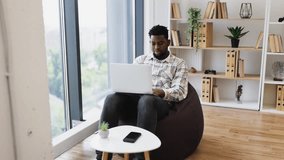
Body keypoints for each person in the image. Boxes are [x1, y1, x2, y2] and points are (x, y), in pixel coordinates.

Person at [96, 25, 188, 160]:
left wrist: (161, 92)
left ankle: (139, 156)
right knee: (111, 98)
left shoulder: (179, 64)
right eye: (153, 43)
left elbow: (181, 91)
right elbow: (130, 82)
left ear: (168, 42)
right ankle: (101, 154)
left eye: (160, 43)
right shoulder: (141, 60)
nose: (156, 47)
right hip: (135, 101)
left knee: (147, 100)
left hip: (159, 103)